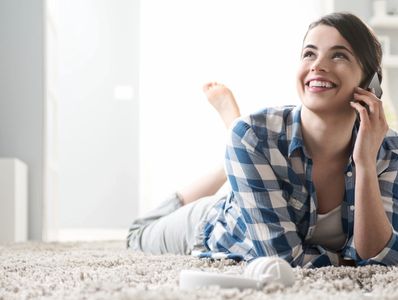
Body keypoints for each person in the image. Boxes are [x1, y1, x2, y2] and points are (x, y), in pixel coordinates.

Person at [128, 12, 398, 268]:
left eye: (339, 55)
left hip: (255, 160)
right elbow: (283, 259)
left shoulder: (388, 150)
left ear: (370, 84)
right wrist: (346, 260)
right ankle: (232, 157)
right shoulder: (253, 135)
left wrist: (363, 164)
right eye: (309, 53)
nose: (317, 65)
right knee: (137, 234)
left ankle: (233, 161)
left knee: (243, 143)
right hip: (210, 226)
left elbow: (379, 256)